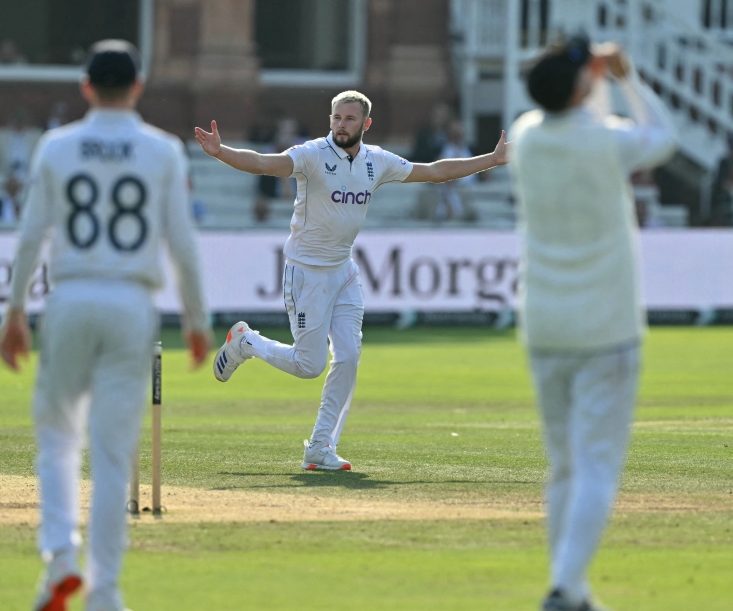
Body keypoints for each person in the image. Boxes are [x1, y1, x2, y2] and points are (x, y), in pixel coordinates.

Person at [0, 39, 214, 611]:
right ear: (138, 87)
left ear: (87, 87)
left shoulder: (59, 145)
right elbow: (183, 244)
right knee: (114, 457)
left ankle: (60, 555)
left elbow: (30, 234)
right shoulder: (162, 150)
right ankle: (103, 599)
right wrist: (197, 321)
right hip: (131, 304)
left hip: (69, 297)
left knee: (57, 441)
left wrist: (13, 310)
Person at [194, 91, 508, 472]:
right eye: (336, 118)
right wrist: (222, 152)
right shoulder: (312, 155)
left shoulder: (377, 162)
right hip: (306, 273)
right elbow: (264, 162)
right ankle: (247, 342)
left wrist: (491, 160)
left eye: (349, 119)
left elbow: (436, 171)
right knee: (309, 366)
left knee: (348, 357)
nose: (341, 125)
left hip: (344, 273)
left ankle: (320, 447)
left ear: (365, 124)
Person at [509, 36, 677, 611]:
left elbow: (572, 110)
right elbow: (663, 135)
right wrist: (627, 78)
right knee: (596, 467)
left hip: (546, 325)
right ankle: (563, 591)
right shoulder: (605, 141)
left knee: (565, 468)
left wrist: (589, 75)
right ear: (583, 87)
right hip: (605, 325)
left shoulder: (527, 134)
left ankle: (573, 598)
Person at [0, 107, 43, 177]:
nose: (19, 125)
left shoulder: (35, 136)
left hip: (28, 177)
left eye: (22, 122)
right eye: (17, 122)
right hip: (4, 177)